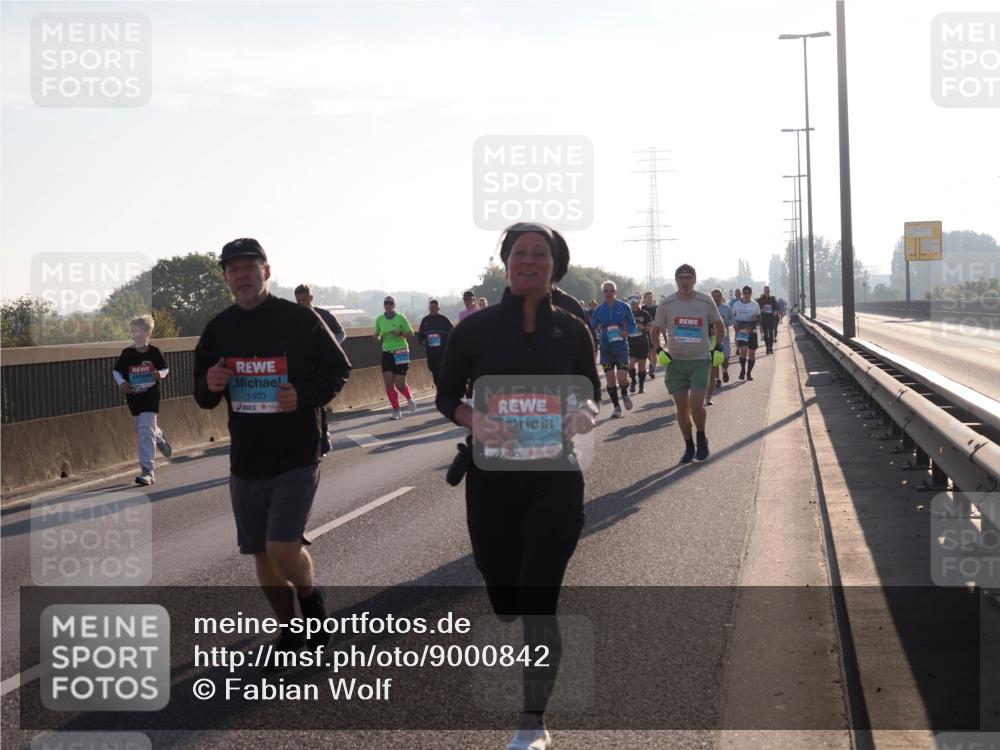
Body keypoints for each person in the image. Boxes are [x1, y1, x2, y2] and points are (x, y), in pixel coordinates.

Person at [436, 222, 600, 750]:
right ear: (506, 262)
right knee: (505, 594)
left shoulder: (573, 330)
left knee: (538, 598)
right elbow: (446, 398)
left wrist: (584, 414)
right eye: (520, 254)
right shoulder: (474, 331)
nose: (529, 262)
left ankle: (533, 721)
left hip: (555, 481)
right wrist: (473, 420)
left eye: (540, 255)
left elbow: (590, 392)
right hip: (492, 483)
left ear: (556, 266)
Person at [193, 238, 351, 668]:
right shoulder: (218, 329)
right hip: (246, 458)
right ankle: (289, 627)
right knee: (261, 556)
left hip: (297, 452)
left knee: (282, 549)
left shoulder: (300, 319)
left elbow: (339, 370)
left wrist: (303, 394)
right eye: (233, 270)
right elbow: (202, 396)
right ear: (226, 277)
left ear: (266, 270)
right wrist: (209, 383)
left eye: (249, 267)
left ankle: (310, 599)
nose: (241, 276)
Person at [651, 264, 724, 462]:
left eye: (688, 277)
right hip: (676, 362)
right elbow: (655, 331)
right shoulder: (667, 304)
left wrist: (717, 348)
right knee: (681, 406)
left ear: (694, 279)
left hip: (700, 359)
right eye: (681, 277)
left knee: (696, 403)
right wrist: (659, 351)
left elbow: (719, 325)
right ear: (676, 280)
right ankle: (689, 446)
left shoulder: (705, 300)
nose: (684, 281)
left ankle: (701, 437)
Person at [113, 314, 171, 486]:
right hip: (133, 397)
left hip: (150, 397)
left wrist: (159, 374)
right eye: (131, 331)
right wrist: (122, 382)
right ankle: (159, 437)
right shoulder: (127, 353)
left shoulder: (154, 352)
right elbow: (116, 371)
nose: (133, 334)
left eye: (136, 331)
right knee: (143, 429)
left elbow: (165, 369)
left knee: (145, 430)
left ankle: (148, 472)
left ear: (147, 332)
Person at [294, 283, 346, 455]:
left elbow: (341, 333)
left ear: (311, 297)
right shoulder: (293, 317)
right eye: (298, 300)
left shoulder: (324, 315)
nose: (302, 303)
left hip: (322, 367)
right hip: (302, 368)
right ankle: (313, 439)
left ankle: (323, 439)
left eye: (304, 300)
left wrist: (330, 347)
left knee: (319, 403)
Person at [589, 280, 636, 418]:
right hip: (606, 349)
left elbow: (632, 324)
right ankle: (616, 407)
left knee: (621, 378)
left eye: (611, 291)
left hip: (621, 347)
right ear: (603, 293)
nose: (609, 293)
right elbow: (591, 327)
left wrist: (628, 332)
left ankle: (625, 392)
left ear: (615, 292)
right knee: (610, 379)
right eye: (606, 291)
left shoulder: (624, 306)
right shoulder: (599, 310)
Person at [374, 296, 417, 420]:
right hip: (387, 352)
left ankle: (409, 398)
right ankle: (396, 410)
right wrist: (376, 336)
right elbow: (378, 332)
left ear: (394, 305)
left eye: (390, 303)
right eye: (386, 303)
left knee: (399, 384)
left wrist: (400, 333)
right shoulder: (380, 319)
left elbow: (411, 334)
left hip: (401, 351)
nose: (388, 305)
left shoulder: (401, 318)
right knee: (388, 383)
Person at [706, 288, 734, 405]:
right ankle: (717, 379)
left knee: (726, 358)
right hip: (711, 340)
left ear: (721, 296)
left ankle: (725, 369)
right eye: (713, 295)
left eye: (717, 295)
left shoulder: (726, 308)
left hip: (725, 338)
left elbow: (733, 319)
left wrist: (725, 322)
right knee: (715, 362)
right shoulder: (707, 308)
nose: (715, 297)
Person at [417, 299, 454, 388]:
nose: (433, 309)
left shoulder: (444, 319)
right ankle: (441, 389)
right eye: (431, 308)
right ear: (429, 308)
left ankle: (445, 391)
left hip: (443, 352)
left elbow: (453, 332)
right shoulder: (425, 320)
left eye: (435, 308)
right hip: (431, 353)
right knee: (435, 373)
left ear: (438, 308)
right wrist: (422, 341)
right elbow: (420, 335)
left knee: (443, 372)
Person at [731, 285, 762, 380]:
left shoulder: (755, 304)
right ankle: (743, 370)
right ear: (742, 294)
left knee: (752, 354)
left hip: (752, 330)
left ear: (751, 294)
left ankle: (749, 373)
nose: (746, 295)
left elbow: (759, 318)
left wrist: (755, 319)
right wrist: (735, 323)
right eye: (745, 293)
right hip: (742, 330)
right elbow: (732, 317)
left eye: (748, 293)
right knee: (743, 352)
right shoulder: (736, 305)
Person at [627, 295, 653, 394]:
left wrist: (643, 327)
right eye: (632, 303)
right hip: (631, 343)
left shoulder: (644, 313)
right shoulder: (627, 313)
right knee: (630, 364)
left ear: (639, 303)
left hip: (642, 343)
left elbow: (651, 327)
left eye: (635, 303)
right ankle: (633, 381)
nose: (633, 305)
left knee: (642, 367)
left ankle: (641, 386)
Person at [756, 285, 779, 355]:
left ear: (769, 291)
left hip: (771, 318)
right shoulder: (760, 299)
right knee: (766, 334)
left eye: (768, 290)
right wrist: (761, 308)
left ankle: (771, 348)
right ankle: (767, 348)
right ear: (764, 291)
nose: (766, 291)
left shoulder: (772, 299)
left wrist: (775, 312)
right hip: (764, 318)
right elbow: (757, 308)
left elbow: (775, 308)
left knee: (771, 333)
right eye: (765, 290)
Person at [641, 291, 658, 380]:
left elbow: (660, 319)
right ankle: (651, 364)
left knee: (653, 351)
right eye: (648, 297)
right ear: (644, 299)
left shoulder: (657, 308)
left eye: (651, 297)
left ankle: (653, 369)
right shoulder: (642, 308)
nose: (650, 299)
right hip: (644, 332)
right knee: (647, 353)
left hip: (654, 332)